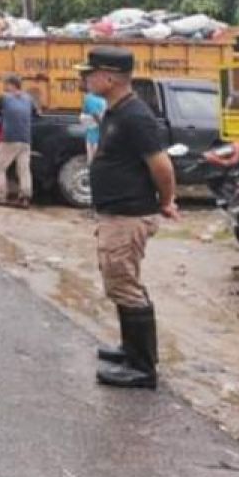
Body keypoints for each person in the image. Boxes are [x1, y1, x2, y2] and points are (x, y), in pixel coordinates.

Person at [76, 47, 179, 389]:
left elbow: (162, 166)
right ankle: (129, 349)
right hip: (116, 213)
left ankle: (142, 368)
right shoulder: (115, 111)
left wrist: (167, 201)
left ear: (109, 77)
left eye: (89, 73)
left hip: (128, 215)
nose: (85, 78)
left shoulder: (135, 116)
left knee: (122, 282)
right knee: (121, 280)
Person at [0, 74, 38, 208]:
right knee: (24, 169)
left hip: (9, 138)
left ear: (12, 85)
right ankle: (25, 197)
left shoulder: (4, 97)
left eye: (6, 84)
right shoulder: (29, 98)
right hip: (25, 139)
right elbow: (36, 113)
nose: (4, 87)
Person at [81, 90, 108, 163]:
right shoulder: (93, 98)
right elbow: (94, 114)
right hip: (96, 131)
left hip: (93, 132)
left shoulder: (89, 97)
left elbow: (84, 112)